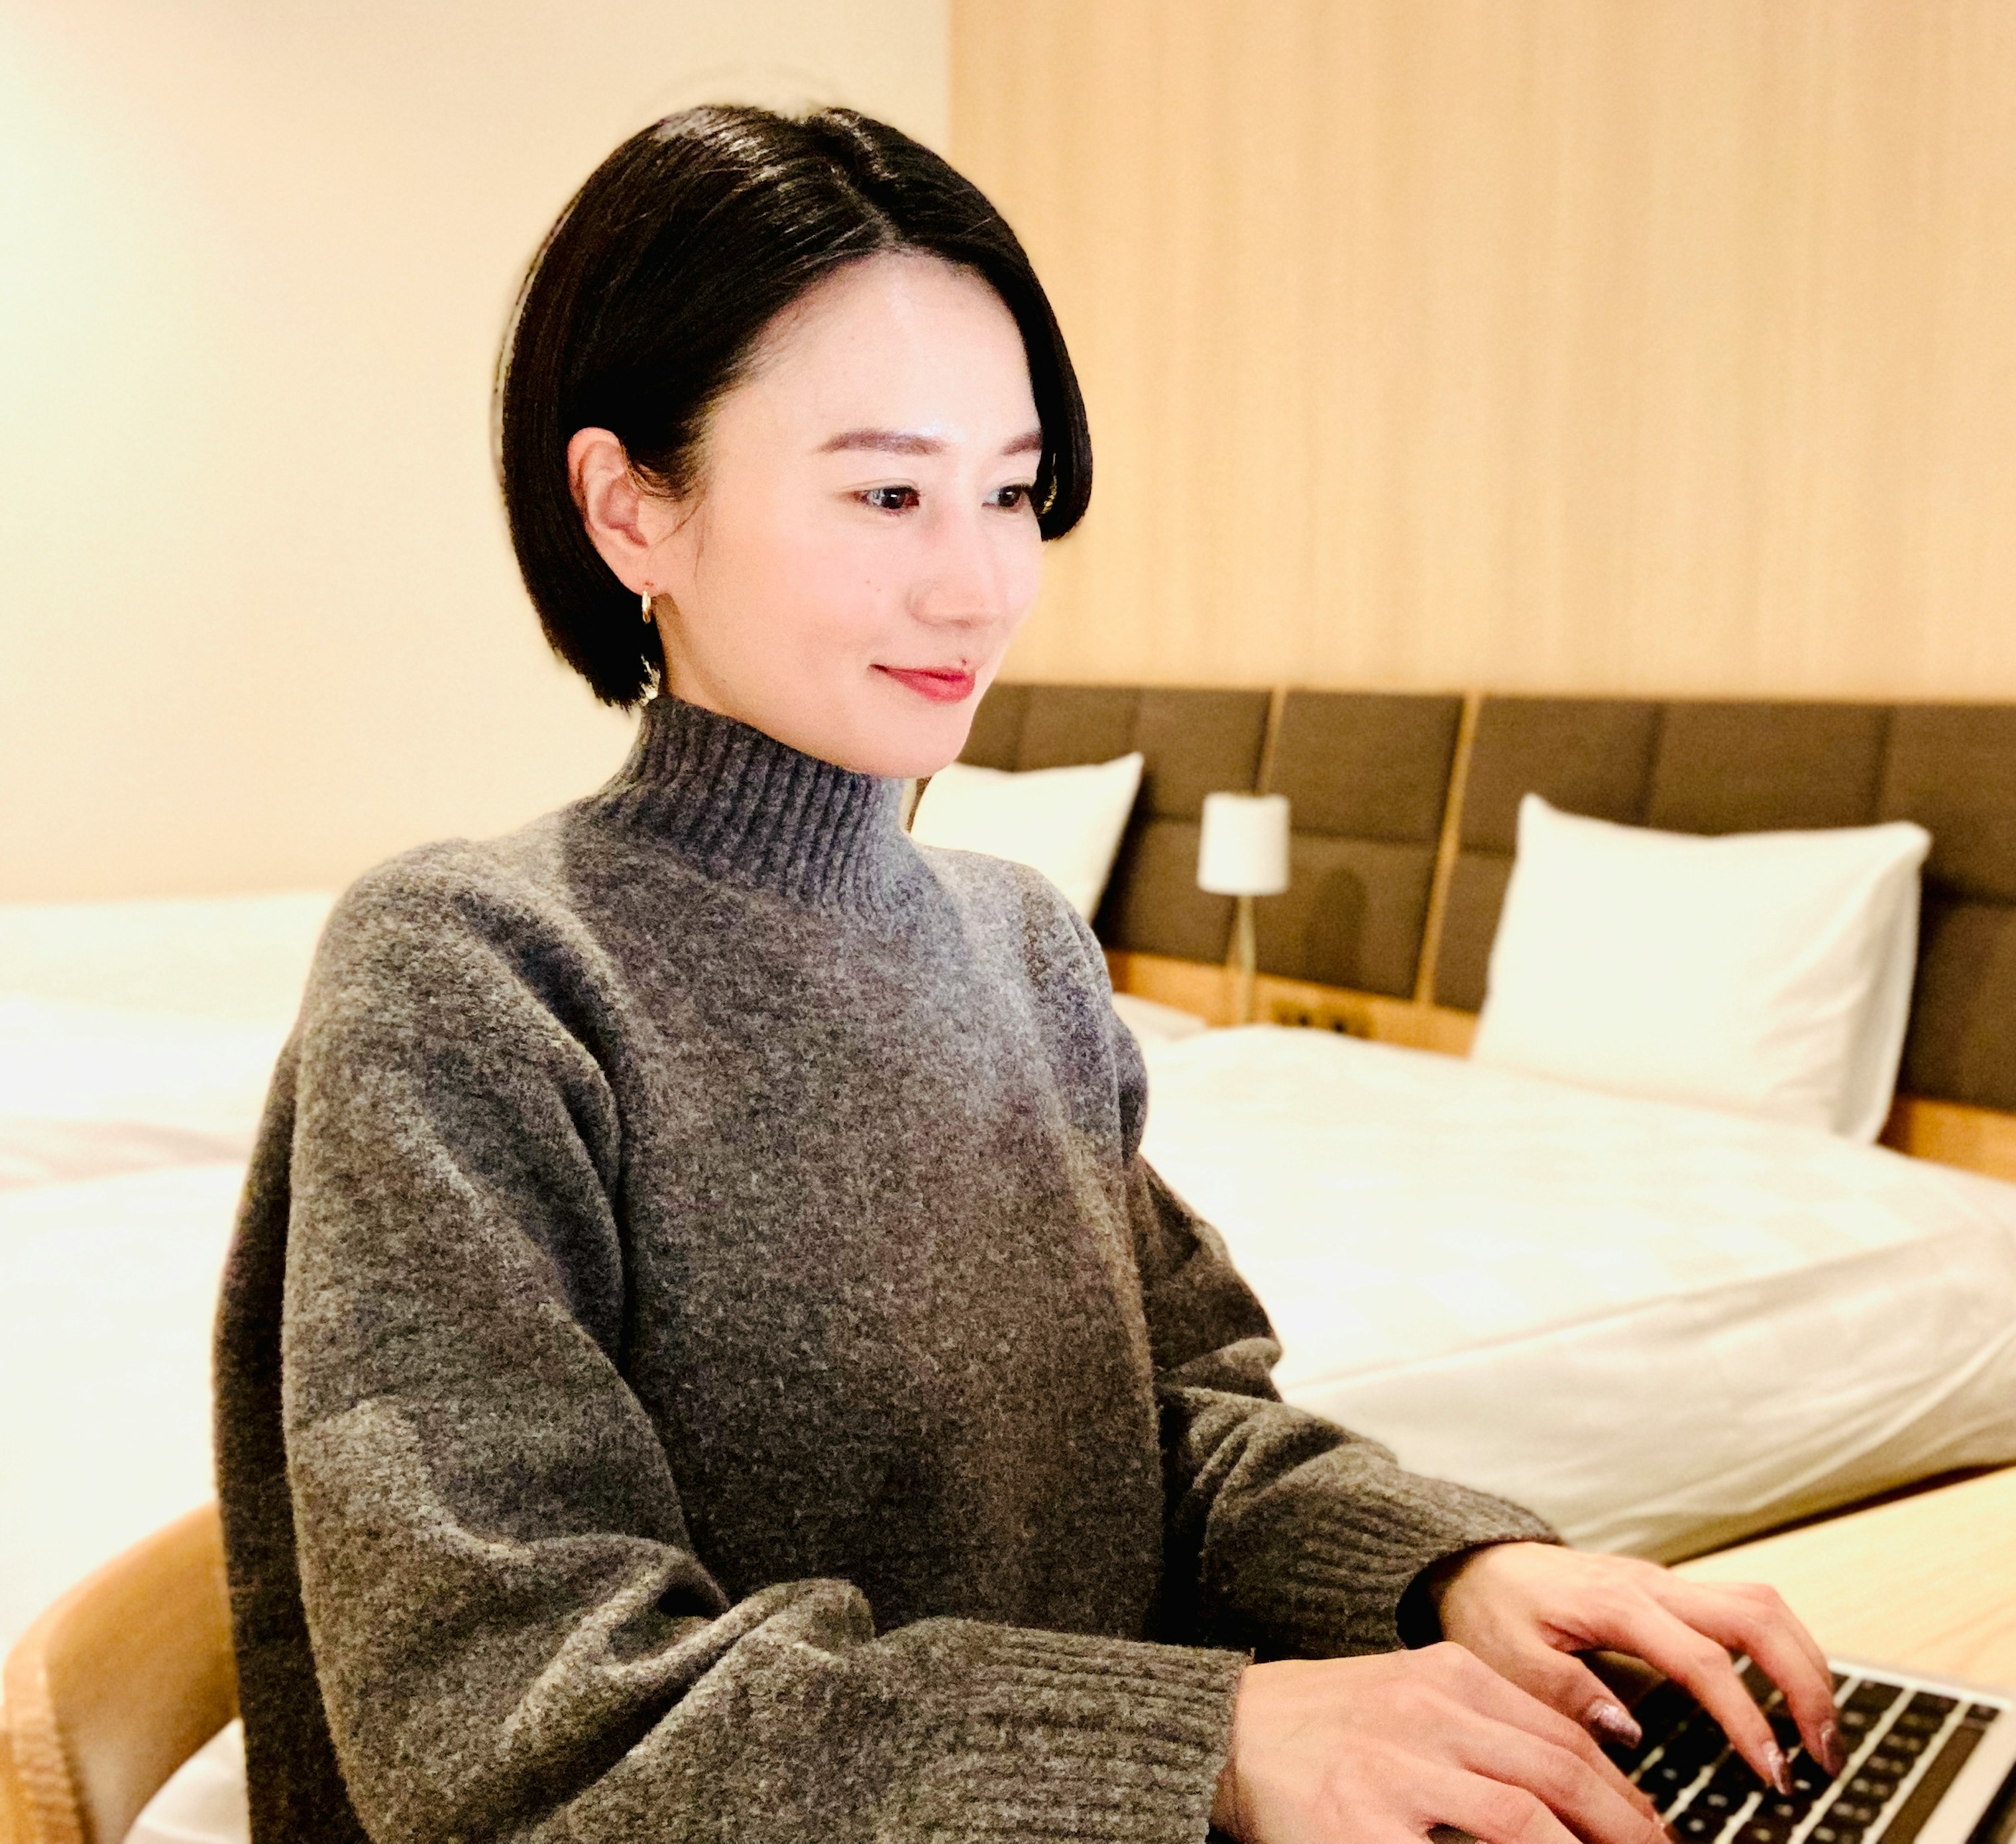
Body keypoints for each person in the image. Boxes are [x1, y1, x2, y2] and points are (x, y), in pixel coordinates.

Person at [213, 104, 1842, 1844]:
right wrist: (1202, 1741)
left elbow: (1174, 1432)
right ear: (631, 509)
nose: (980, 583)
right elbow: (521, 1738)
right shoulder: (475, 974)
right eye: (889, 492)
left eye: (1011, 493)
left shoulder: (1017, 943)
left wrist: (1455, 1566)